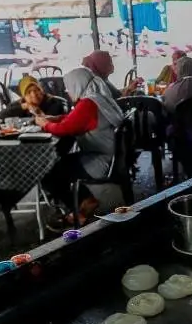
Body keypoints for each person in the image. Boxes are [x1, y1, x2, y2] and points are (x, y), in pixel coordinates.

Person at [35, 67, 126, 228]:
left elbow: (65, 129)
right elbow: (74, 119)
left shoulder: (88, 103)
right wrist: (55, 118)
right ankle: (85, 201)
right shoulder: (99, 98)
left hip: (100, 161)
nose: (67, 91)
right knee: (61, 165)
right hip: (114, 156)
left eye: (69, 87)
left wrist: (45, 124)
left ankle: (80, 210)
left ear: (78, 85)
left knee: (47, 173)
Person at [0, 75, 67, 119]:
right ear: (24, 96)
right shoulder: (21, 103)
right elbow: (1, 116)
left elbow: (49, 120)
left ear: (41, 91)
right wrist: (25, 106)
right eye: (28, 92)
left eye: (37, 90)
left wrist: (37, 111)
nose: (34, 95)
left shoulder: (52, 102)